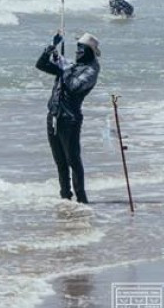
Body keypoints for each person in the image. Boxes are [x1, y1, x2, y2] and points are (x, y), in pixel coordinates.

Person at [35, 31, 101, 204]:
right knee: (60, 162)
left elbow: (73, 87)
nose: (78, 51)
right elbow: (40, 65)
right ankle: (65, 197)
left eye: (82, 48)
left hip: (69, 120)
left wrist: (64, 68)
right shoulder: (71, 67)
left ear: (89, 51)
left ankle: (81, 198)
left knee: (73, 160)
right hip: (54, 116)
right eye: (77, 47)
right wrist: (52, 47)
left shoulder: (91, 70)